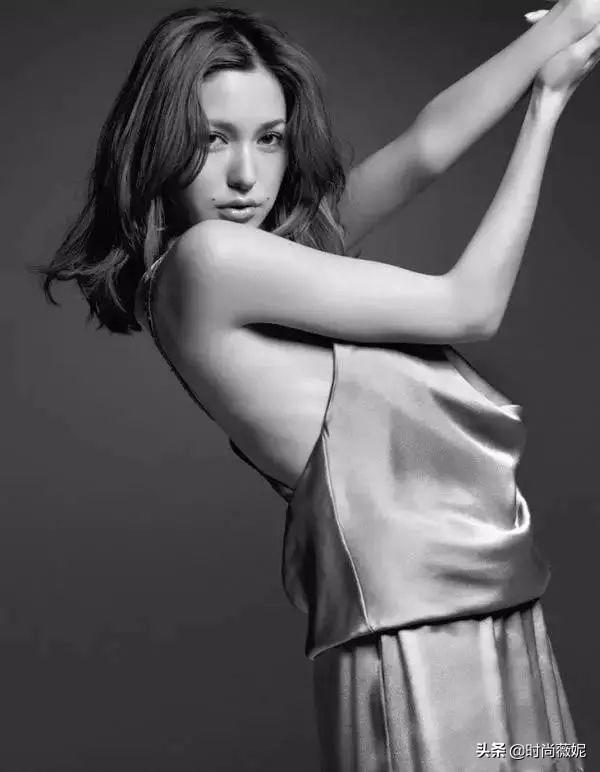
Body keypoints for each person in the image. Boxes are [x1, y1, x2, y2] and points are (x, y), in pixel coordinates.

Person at [34, 4, 600, 770]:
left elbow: (425, 148)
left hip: (485, 596)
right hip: (415, 632)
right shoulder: (210, 262)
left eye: (269, 138)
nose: (246, 175)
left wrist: (561, 27)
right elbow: (471, 306)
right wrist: (547, 106)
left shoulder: (266, 255)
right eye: (212, 139)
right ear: (160, 141)